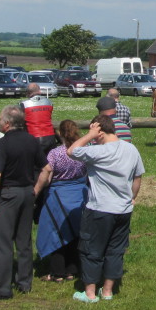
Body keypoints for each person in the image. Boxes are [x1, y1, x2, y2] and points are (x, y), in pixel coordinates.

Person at [69, 115, 145, 303]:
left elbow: (72, 151)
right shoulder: (131, 149)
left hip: (100, 209)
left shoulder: (97, 151)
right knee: (115, 250)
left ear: (100, 132)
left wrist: (89, 135)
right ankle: (108, 291)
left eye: (94, 133)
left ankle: (90, 293)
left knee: (91, 250)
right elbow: (137, 177)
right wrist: (132, 197)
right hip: (123, 209)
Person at [0, 105, 52, 300]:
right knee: (24, 240)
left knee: (3, 241)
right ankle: (24, 282)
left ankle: (3, 286)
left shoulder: (2, 144)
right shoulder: (31, 140)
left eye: (0, 119)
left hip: (8, 194)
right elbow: (46, 169)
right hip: (27, 192)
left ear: (7, 123)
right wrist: (36, 190)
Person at [37, 120, 88, 282]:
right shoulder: (83, 151)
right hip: (79, 194)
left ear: (60, 133)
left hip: (58, 195)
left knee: (56, 232)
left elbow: (48, 176)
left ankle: (57, 271)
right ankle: (72, 269)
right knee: (75, 232)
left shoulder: (55, 153)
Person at [20, 83, 56, 154]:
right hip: (50, 136)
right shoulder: (49, 102)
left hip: (34, 136)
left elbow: (21, 120)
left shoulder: (24, 104)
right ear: (39, 91)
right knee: (50, 160)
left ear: (28, 93)